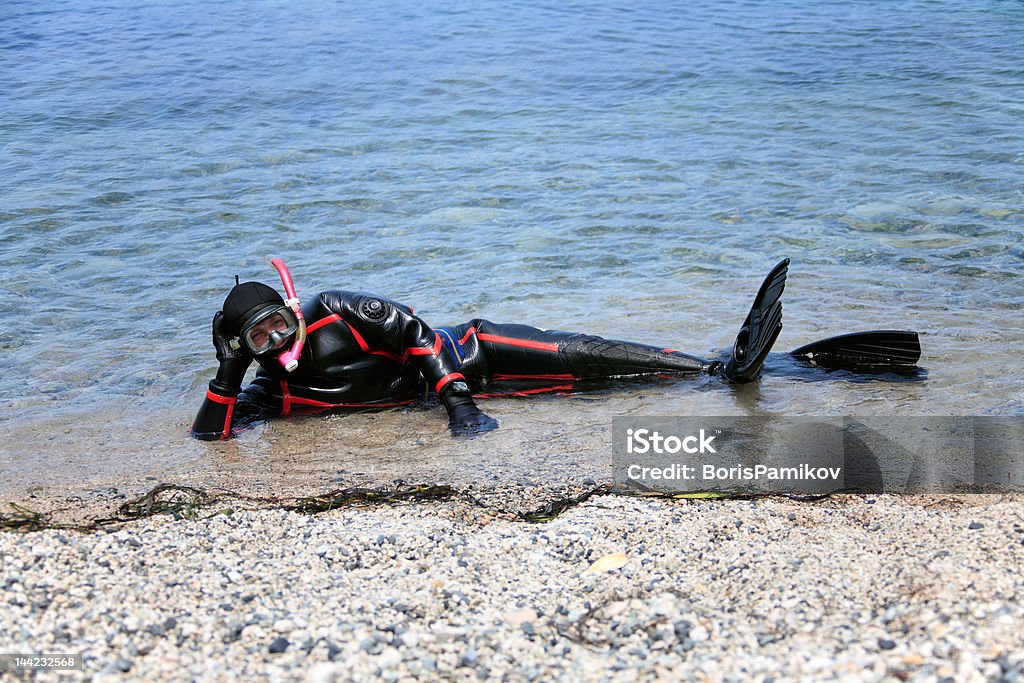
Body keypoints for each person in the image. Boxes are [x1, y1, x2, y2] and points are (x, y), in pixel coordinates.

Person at [191, 258, 921, 440]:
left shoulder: (335, 309)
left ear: (290, 308)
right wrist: (230, 369)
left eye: (276, 326)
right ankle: (759, 372)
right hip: (491, 392)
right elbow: (214, 435)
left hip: (474, 352)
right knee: (618, 387)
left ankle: (731, 366)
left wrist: (460, 409)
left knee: (598, 356)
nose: (275, 343)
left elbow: (416, 335)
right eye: (258, 340)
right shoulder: (268, 387)